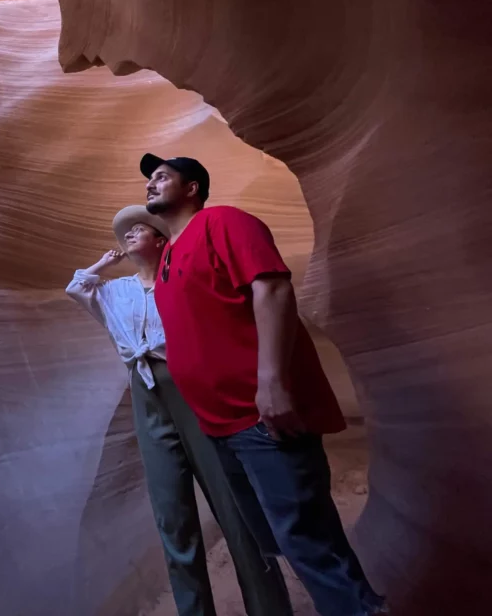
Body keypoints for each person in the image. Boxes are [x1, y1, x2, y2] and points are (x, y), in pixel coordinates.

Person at [142, 153, 389, 616]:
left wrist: (271, 384)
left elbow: (272, 287)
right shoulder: (169, 256)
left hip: (259, 416)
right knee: (287, 537)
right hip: (220, 426)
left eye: (161, 177)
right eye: (149, 180)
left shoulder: (223, 223)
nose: (150, 185)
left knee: (306, 538)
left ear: (192, 187)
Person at [66, 205, 293, 616]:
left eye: (140, 230)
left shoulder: (179, 284)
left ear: (160, 240)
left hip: (192, 385)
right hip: (147, 393)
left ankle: (270, 608)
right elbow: (77, 288)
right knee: (172, 514)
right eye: (127, 233)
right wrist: (103, 262)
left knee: (233, 505)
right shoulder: (118, 291)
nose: (130, 236)